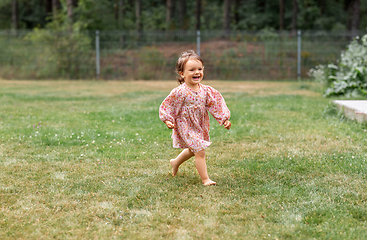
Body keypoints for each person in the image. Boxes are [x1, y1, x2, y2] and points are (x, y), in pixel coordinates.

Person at [159, 50, 231, 186]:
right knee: (200, 151)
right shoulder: (180, 91)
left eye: (199, 69)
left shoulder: (206, 91)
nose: (197, 72)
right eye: (192, 70)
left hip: (198, 125)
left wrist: (224, 119)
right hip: (185, 125)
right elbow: (168, 104)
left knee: (194, 150)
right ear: (182, 74)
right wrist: (167, 119)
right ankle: (205, 179)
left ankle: (175, 162)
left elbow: (216, 103)